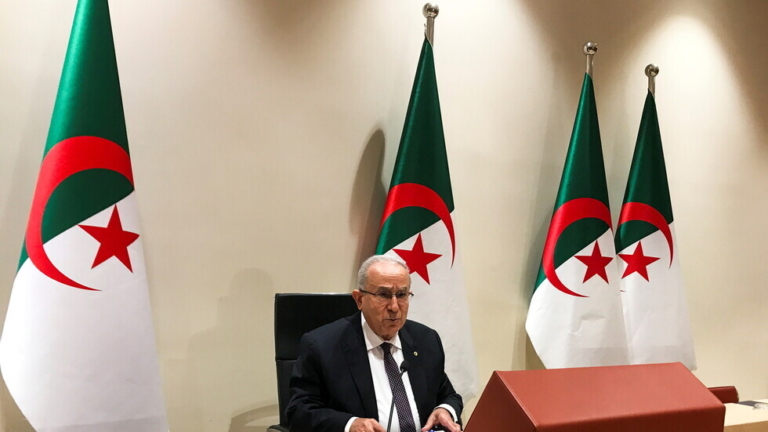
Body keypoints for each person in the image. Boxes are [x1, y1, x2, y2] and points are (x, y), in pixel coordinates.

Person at [286, 255, 463, 432]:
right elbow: (299, 412)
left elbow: (448, 395)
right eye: (383, 295)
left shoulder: (426, 340)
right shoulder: (323, 346)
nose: (394, 307)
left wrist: (445, 410)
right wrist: (350, 425)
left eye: (402, 295)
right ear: (359, 299)